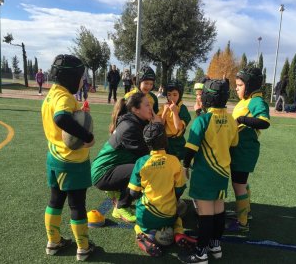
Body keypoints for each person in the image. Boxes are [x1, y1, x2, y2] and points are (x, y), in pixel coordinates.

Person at [41, 54, 95, 261]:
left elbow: (62, 117)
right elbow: (61, 118)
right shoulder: (64, 97)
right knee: (77, 205)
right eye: (81, 77)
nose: (82, 81)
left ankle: (53, 242)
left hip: (54, 157)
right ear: (72, 77)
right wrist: (87, 135)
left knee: (55, 201)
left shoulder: (52, 94)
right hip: (72, 161)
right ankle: (83, 247)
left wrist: (80, 112)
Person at [179, 79, 238, 263]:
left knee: (205, 215)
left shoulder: (202, 120)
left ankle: (200, 253)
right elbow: (233, 144)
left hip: (205, 173)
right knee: (219, 210)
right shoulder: (231, 119)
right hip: (222, 172)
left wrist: (185, 166)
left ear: (206, 97)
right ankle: (215, 246)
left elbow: (190, 149)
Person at [129, 122, 196, 257]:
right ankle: (178, 233)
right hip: (168, 215)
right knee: (179, 213)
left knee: (137, 224)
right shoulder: (174, 161)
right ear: (165, 141)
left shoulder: (141, 162)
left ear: (146, 142)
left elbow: (133, 193)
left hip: (146, 215)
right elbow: (179, 190)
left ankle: (143, 235)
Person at [91, 93, 153, 223]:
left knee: (144, 165)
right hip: (102, 173)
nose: (151, 108)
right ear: (135, 109)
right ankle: (121, 206)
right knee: (145, 167)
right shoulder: (130, 127)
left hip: (111, 168)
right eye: (147, 105)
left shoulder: (136, 122)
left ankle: (117, 193)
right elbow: (148, 155)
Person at [226, 67, 270, 233]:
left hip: (244, 150)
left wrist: (242, 120)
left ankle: (242, 223)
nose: (236, 88)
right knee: (241, 183)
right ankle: (246, 212)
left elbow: (264, 122)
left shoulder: (256, 101)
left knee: (238, 185)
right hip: (239, 149)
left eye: (239, 85)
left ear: (250, 86)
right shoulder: (245, 100)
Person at [158, 80, 191, 160]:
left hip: (177, 143)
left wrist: (175, 112)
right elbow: (160, 125)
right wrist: (165, 112)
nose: (171, 97)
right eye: (169, 95)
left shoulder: (182, 109)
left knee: (176, 166)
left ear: (180, 95)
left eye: (175, 95)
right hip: (165, 142)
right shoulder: (164, 106)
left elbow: (178, 127)